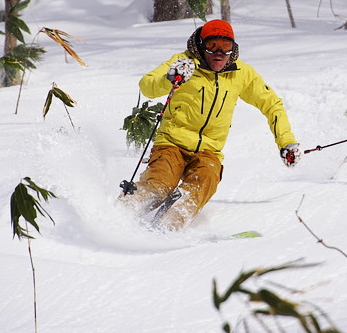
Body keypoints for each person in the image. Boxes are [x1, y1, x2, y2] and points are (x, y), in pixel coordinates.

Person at [119, 19, 301, 231]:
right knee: (160, 184)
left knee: (203, 181)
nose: (219, 53)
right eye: (212, 45)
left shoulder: (240, 73)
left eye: (226, 47)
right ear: (201, 44)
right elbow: (147, 86)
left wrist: (286, 141)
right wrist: (170, 78)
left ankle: (168, 226)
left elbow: (272, 104)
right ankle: (120, 215)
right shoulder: (184, 63)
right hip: (171, 144)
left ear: (233, 49)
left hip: (209, 152)